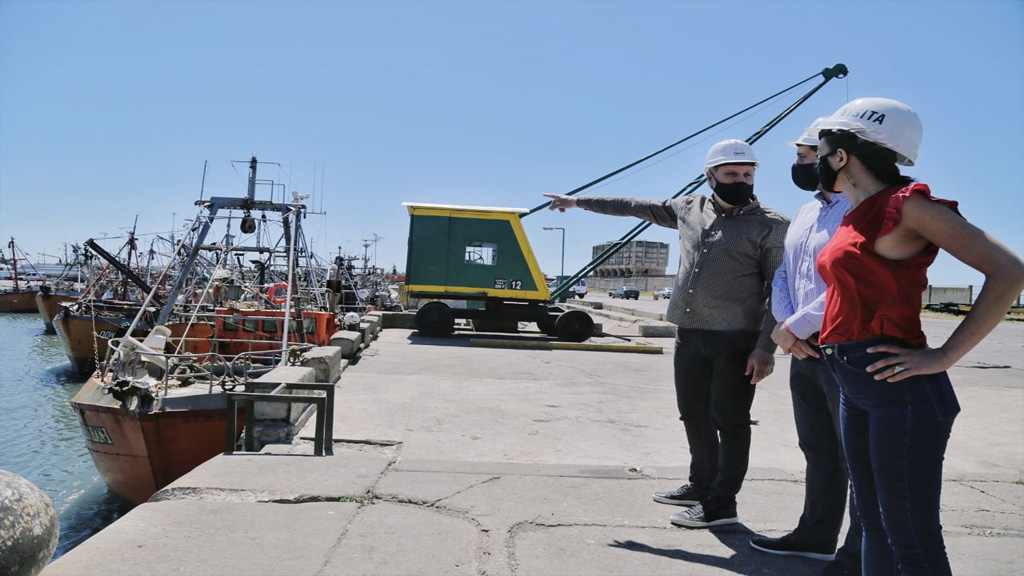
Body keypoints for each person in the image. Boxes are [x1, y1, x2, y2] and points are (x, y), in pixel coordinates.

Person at [811, 97, 1024, 575]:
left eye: (821, 150)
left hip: (900, 394)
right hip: (855, 383)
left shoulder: (906, 207)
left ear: (842, 156)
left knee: (910, 534)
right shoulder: (854, 211)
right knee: (873, 524)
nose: (813, 159)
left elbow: (1010, 271)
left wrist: (944, 355)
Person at [544, 139, 789, 529]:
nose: (741, 181)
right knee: (693, 414)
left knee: (730, 420)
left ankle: (722, 505)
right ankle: (701, 484)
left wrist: (765, 348)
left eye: (747, 174)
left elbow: (779, 292)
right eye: (731, 174)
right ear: (710, 176)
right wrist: (577, 202)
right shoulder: (689, 208)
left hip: (735, 339)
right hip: (689, 335)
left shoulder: (771, 225)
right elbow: (633, 207)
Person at [748, 119, 862, 576]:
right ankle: (816, 535)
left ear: (836, 156)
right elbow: (785, 274)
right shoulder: (806, 211)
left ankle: (859, 554)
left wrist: (795, 327)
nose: (798, 165)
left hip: (841, 346)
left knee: (858, 456)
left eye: (804, 156)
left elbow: (846, 281)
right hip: (803, 348)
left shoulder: (859, 209)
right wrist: (787, 328)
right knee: (817, 447)